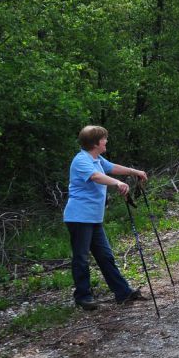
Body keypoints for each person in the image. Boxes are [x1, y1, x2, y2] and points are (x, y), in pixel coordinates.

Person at [63, 126, 149, 311]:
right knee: (81, 257)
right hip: (79, 217)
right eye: (104, 139)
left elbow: (112, 168)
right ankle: (83, 297)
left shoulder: (97, 159)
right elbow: (96, 177)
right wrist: (118, 183)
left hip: (93, 218)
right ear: (95, 143)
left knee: (105, 256)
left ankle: (122, 292)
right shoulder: (81, 160)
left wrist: (135, 172)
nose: (106, 141)